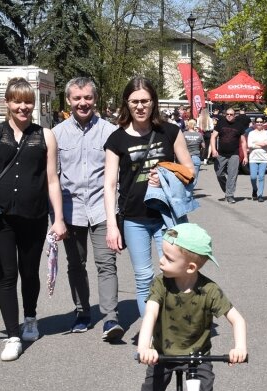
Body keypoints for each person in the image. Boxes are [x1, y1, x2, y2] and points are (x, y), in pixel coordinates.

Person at [123, 223, 247, 391]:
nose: (161, 261)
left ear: (191, 267)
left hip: (197, 356)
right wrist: (144, 346)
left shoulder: (209, 290)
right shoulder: (161, 285)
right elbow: (151, 314)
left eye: (168, 257)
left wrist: (240, 347)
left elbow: (237, 319)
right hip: (164, 354)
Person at [0, 77, 67, 362]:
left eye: (28, 102)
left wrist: (58, 218)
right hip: (1, 217)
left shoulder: (45, 135)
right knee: (7, 275)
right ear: (7, 103)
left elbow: (51, 180)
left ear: (33, 104)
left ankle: (31, 317)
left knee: (30, 272)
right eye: (17, 101)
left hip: (34, 216)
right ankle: (13, 335)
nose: (23, 107)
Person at [103, 77, 194, 319]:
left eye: (145, 101)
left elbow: (189, 170)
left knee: (176, 273)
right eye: (135, 102)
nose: (140, 106)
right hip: (134, 219)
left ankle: (176, 333)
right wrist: (112, 225)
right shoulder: (116, 139)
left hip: (167, 217)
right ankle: (151, 336)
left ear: (153, 102)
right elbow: (110, 184)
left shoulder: (170, 132)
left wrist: (166, 175)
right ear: (127, 103)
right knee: (143, 278)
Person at [53, 77, 123, 340]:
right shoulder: (57, 134)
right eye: (77, 98)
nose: (83, 103)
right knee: (76, 264)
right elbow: (52, 178)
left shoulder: (110, 132)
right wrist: (56, 217)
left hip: (102, 209)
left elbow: (119, 176)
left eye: (88, 98)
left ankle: (110, 318)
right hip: (71, 212)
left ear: (95, 99)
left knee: (107, 263)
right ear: (69, 101)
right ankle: (82, 312)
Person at [210, 107, 248, 204]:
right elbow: (213, 137)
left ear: (234, 115)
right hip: (221, 154)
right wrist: (214, 150)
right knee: (219, 173)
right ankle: (227, 190)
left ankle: (230, 195)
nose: (229, 116)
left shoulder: (239, 126)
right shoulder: (220, 123)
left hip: (234, 154)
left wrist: (245, 156)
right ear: (225, 114)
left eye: (231, 114)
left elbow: (243, 142)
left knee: (232, 175)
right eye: (227, 114)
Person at [246, 117, 267, 202]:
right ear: (255, 123)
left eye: (261, 122)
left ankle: (260, 195)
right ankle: (255, 189)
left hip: (263, 158)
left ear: (263, 122)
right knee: (253, 177)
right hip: (253, 157)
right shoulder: (251, 133)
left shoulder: (266, 133)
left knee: (261, 177)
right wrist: (261, 145)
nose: (259, 123)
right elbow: (249, 145)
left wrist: (255, 143)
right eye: (257, 122)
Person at [183, 118, 204, 186]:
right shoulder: (199, 135)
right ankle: (190, 193)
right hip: (196, 157)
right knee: (194, 179)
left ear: (188, 125)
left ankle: (187, 194)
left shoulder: (184, 134)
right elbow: (204, 146)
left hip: (186, 157)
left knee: (185, 177)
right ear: (195, 125)